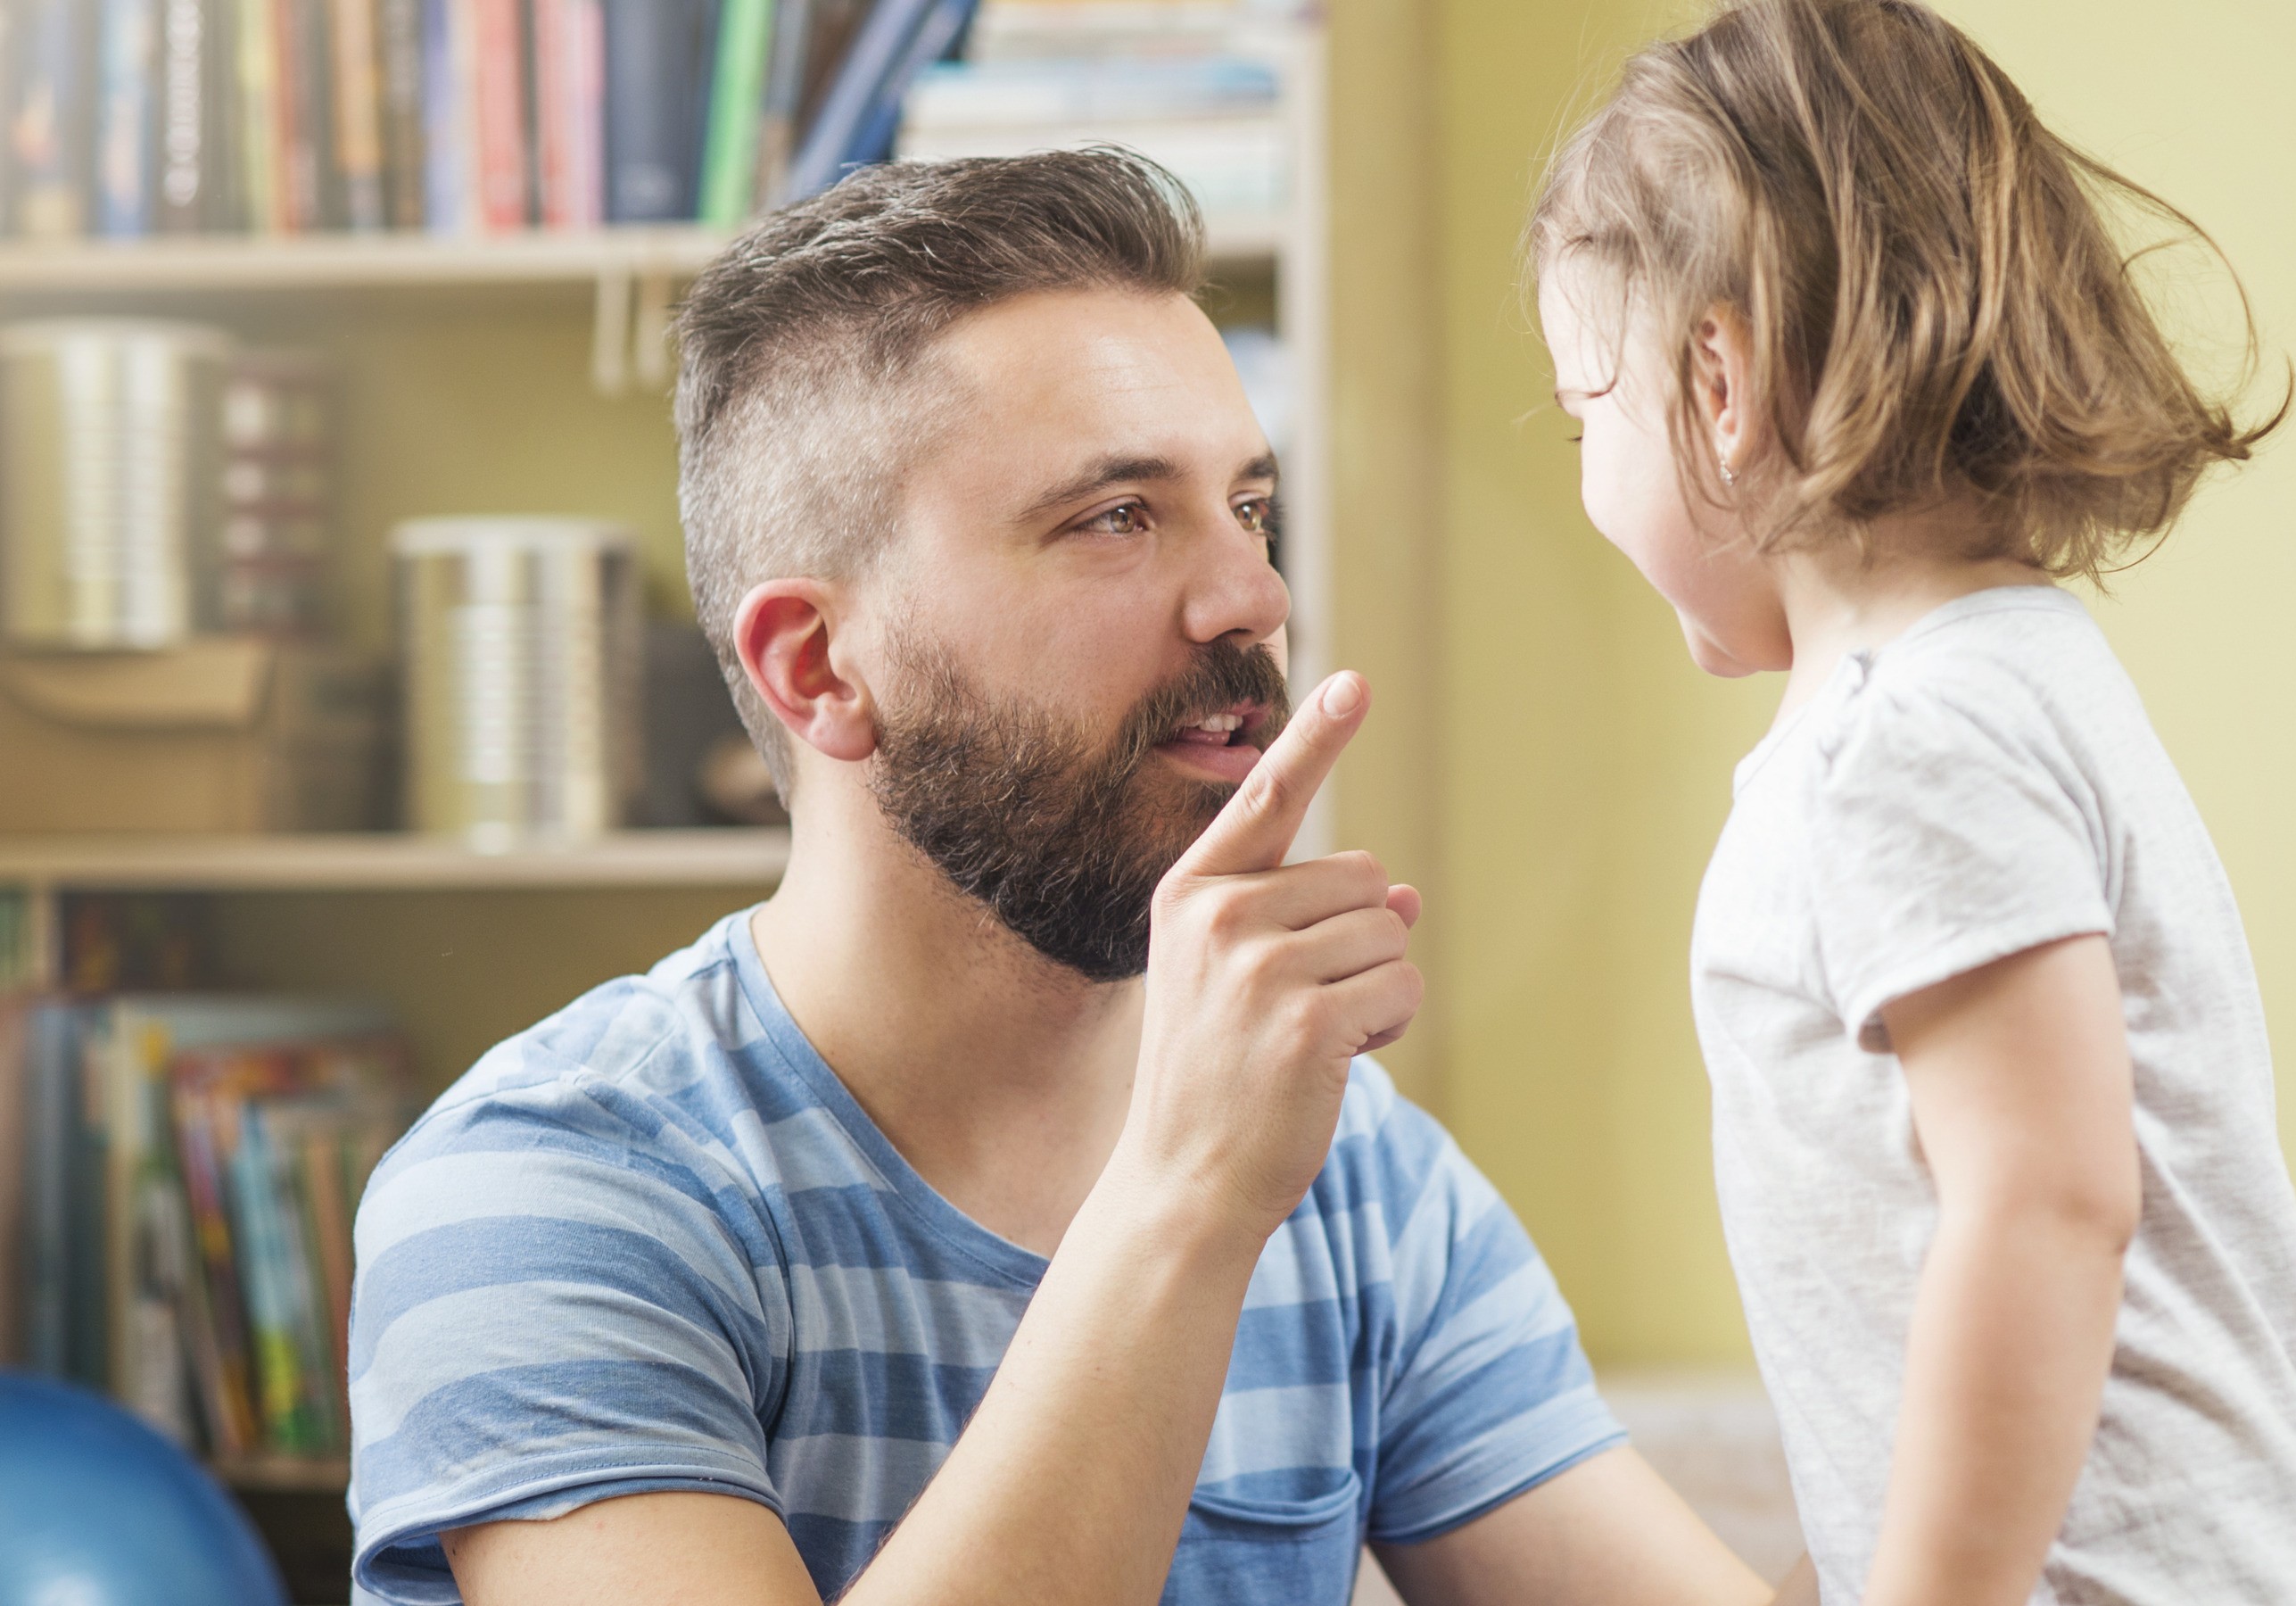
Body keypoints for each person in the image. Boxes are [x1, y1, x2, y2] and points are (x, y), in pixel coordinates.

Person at [346, 152, 1795, 1606]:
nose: (1254, 597)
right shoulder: (547, 1193)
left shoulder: (1357, 1177)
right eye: (1117, 517)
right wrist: (1189, 1197)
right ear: (818, 667)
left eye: (1250, 507)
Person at [1528, 3, 2296, 1603]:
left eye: (1587, 413)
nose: (1582, 474)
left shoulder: (1901, 744)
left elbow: (2042, 1206)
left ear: (1718, 383)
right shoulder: (2008, 677)